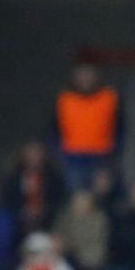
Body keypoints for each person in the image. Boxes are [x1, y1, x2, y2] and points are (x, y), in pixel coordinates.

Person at [55, 63, 119, 193]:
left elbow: (120, 127)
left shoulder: (109, 97)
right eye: (82, 75)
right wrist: (59, 152)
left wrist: (115, 151)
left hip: (103, 156)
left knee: (103, 192)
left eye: (89, 75)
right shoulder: (65, 99)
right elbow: (54, 129)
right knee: (76, 194)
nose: (86, 79)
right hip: (74, 157)